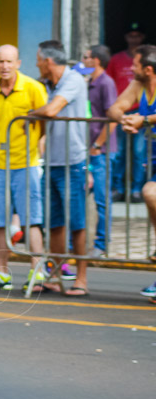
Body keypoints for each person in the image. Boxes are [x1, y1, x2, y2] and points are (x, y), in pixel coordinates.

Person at [0, 45, 49, 292]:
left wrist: (38, 155)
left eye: (10, 61)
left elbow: (45, 125)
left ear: (18, 62)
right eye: (1, 61)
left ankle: (37, 271)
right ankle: (2, 271)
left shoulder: (33, 88)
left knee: (32, 220)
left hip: (26, 163)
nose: (5, 66)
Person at [28, 41, 91, 296]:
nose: (37, 65)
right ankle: (54, 275)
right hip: (52, 161)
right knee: (54, 223)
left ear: (49, 61)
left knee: (76, 222)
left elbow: (52, 110)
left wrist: (31, 113)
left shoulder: (73, 80)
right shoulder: (49, 85)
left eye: (38, 60)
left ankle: (82, 279)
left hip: (72, 161)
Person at [106, 44, 156, 301]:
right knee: (151, 194)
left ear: (148, 69)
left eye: (135, 65)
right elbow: (116, 107)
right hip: (154, 155)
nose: (131, 69)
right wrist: (124, 119)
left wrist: (144, 119)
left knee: (150, 192)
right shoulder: (139, 86)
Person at [82, 45, 118, 257]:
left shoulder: (106, 83)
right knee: (78, 193)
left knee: (102, 200)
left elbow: (112, 118)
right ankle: (73, 241)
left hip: (102, 151)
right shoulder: (89, 84)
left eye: (86, 58)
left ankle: (101, 244)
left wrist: (97, 145)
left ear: (96, 60)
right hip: (88, 149)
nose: (83, 61)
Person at [108, 24, 146, 202]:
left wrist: (144, 119)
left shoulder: (146, 69)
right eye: (131, 35)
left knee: (139, 152)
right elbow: (110, 83)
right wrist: (121, 116)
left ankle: (137, 189)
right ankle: (119, 188)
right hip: (125, 110)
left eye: (137, 35)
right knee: (120, 152)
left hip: (142, 111)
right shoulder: (117, 59)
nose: (134, 39)